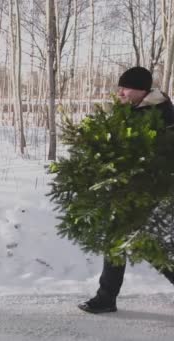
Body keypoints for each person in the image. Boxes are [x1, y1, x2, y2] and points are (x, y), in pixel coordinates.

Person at [78, 66, 174, 314]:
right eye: (119, 87)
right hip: (126, 189)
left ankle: (106, 298)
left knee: (142, 244)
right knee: (118, 239)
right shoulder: (129, 111)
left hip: (149, 190)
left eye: (125, 87)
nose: (119, 91)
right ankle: (106, 298)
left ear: (141, 90)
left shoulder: (163, 114)